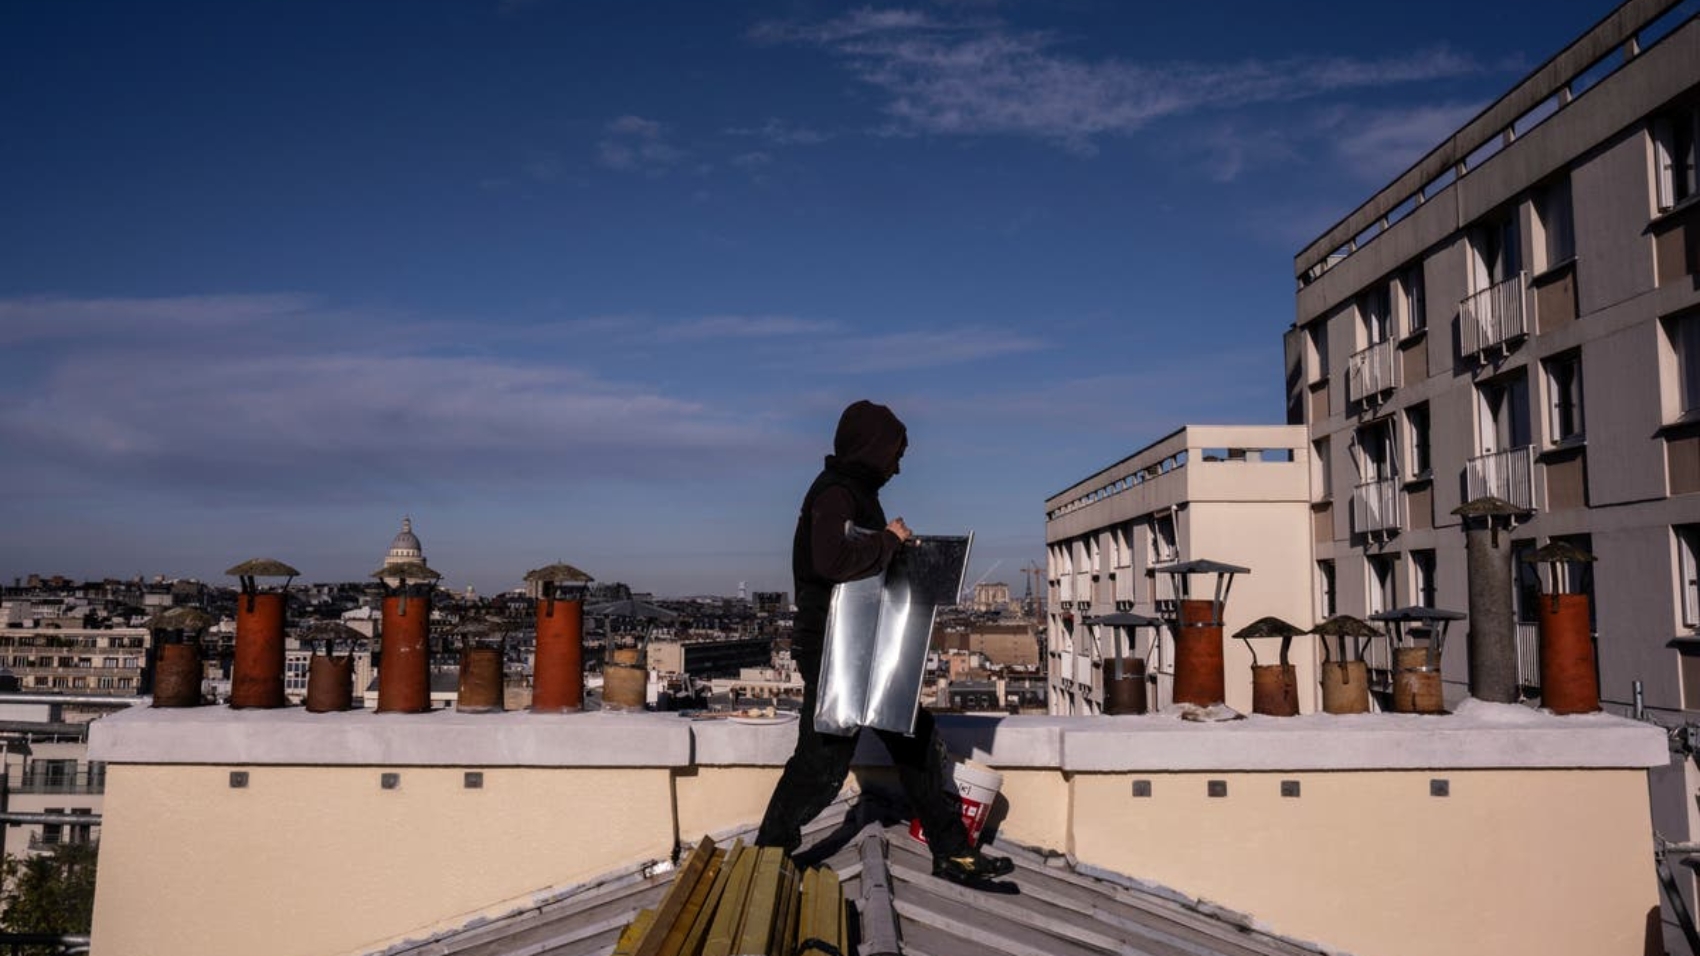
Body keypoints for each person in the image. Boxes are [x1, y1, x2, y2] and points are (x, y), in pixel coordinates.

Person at [755, 399, 1014, 887]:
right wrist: (890, 540)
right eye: (895, 453)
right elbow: (831, 561)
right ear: (872, 448)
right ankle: (769, 853)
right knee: (823, 758)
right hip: (836, 650)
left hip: (861, 646)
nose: (898, 466)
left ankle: (951, 849)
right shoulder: (836, 493)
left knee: (913, 736)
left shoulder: (853, 492)